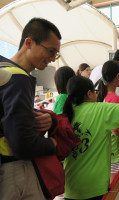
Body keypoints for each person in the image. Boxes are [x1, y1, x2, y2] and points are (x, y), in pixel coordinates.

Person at [0, 17, 60, 200]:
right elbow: (22, 145)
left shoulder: (4, 68)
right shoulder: (18, 79)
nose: (52, 58)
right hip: (12, 171)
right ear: (29, 42)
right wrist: (52, 144)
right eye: (50, 51)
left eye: (55, 54)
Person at [62, 76, 119, 200]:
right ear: (89, 93)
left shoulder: (67, 112)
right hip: (93, 187)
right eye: (95, 92)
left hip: (70, 186)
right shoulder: (101, 109)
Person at [96, 60, 119, 183]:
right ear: (117, 76)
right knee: (115, 188)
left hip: (111, 150)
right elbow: (116, 131)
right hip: (117, 151)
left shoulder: (103, 96)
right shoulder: (114, 99)